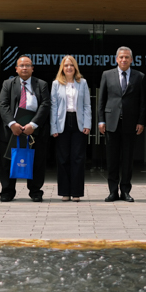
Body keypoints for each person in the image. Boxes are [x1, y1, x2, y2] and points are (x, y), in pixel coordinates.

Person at [0, 55, 51, 202]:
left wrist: (33, 124)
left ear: (32, 68)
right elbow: (3, 104)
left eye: (27, 65)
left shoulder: (41, 84)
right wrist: (12, 124)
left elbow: (45, 105)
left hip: (34, 129)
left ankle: (35, 191)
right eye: (21, 65)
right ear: (16, 69)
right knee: (8, 161)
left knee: (36, 161)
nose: (24, 68)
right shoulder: (8, 84)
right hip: (12, 129)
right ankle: (7, 191)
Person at [96, 47, 146, 202]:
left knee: (128, 159)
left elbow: (143, 101)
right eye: (121, 57)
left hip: (131, 123)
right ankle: (113, 191)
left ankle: (125, 191)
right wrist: (101, 120)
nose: (124, 60)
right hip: (111, 122)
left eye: (127, 57)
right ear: (116, 59)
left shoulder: (139, 76)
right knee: (112, 159)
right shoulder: (107, 74)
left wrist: (141, 121)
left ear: (132, 59)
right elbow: (102, 99)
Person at [50, 55, 92, 201]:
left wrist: (87, 124)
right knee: (63, 158)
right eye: (66, 65)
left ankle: (76, 192)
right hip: (62, 122)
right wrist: (53, 127)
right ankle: (65, 192)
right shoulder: (56, 84)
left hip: (78, 122)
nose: (69, 68)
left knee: (78, 158)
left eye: (71, 65)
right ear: (62, 68)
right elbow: (53, 107)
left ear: (75, 68)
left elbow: (87, 105)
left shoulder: (82, 82)